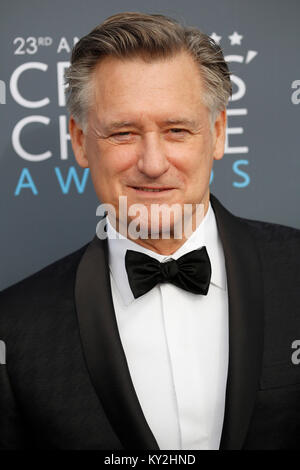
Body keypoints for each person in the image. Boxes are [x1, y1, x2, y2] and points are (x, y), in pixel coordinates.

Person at [0, 11, 299, 451]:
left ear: (217, 134)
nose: (153, 163)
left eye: (177, 130)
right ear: (80, 142)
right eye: (123, 133)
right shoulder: (15, 328)